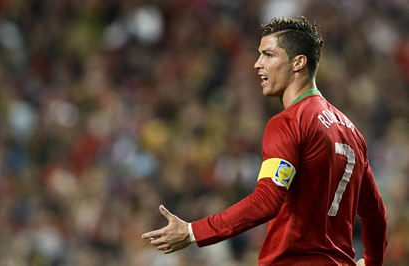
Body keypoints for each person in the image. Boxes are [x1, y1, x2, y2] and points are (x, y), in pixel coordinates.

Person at [141, 16, 387, 266]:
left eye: (268, 55)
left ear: (298, 62)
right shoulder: (352, 132)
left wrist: (193, 232)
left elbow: (267, 200)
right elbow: (376, 215)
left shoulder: (290, 122)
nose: (258, 64)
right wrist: (372, 261)